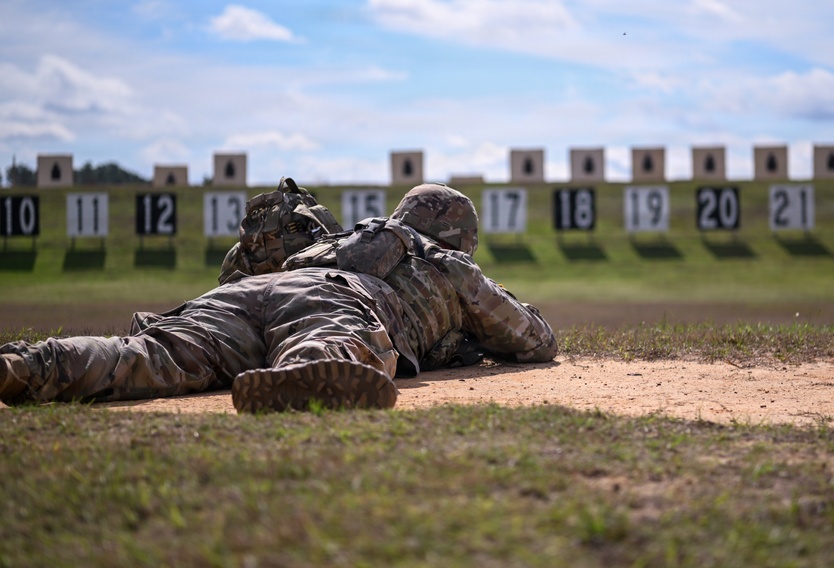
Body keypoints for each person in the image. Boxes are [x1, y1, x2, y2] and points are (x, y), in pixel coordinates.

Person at [0, 184, 558, 413]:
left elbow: (268, 280)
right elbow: (530, 338)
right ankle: (306, 373)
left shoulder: (342, 238)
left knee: (152, 356)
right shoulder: (447, 264)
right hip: (338, 298)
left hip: (246, 294)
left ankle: (31, 364)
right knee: (330, 340)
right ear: (460, 236)